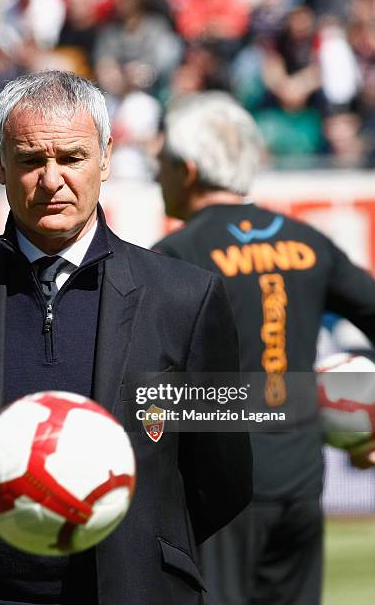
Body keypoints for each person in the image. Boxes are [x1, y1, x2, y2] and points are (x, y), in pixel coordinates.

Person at [0, 71, 252, 605]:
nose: (51, 180)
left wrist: (140, 551)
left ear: (106, 156)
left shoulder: (187, 298)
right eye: (31, 160)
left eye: (72, 158)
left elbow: (224, 481)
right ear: (1, 164)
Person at [153, 91, 375, 605]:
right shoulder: (308, 240)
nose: (156, 173)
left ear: (187, 170)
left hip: (222, 492)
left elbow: (145, 386)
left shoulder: (174, 256)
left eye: (160, 162)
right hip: (301, 483)